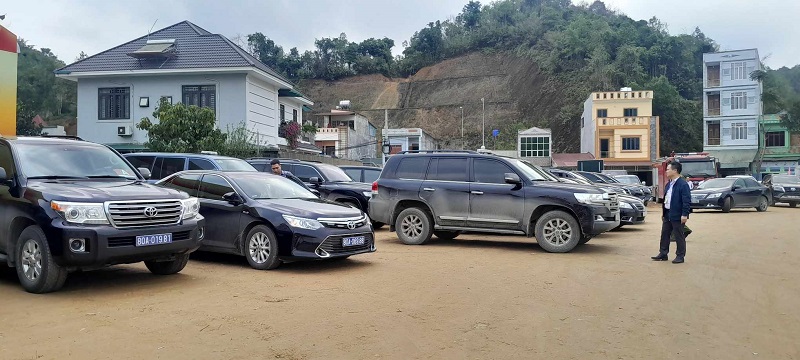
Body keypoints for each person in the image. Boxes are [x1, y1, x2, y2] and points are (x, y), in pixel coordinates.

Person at [652, 161, 691, 264]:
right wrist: (663, 213)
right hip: (668, 213)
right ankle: (663, 253)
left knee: (679, 235)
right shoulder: (669, 184)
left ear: (675, 170)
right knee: (665, 234)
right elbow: (666, 199)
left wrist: (685, 214)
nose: (666, 171)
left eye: (668, 169)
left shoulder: (683, 184)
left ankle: (680, 256)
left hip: (678, 214)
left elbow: (686, 201)